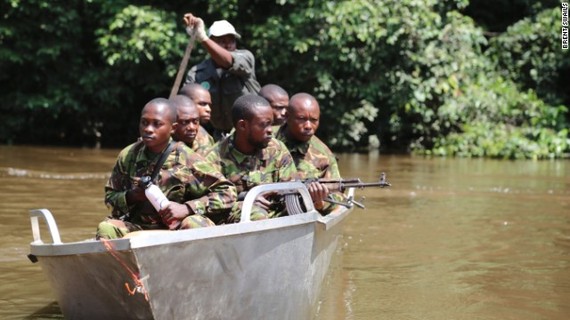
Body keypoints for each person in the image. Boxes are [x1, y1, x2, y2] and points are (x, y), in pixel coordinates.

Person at [96, 98, 236, 239]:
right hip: (137, 227)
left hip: (176, 229)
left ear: (173, 128)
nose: (148, 129)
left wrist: (187, 208)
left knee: (196, 224)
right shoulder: (128, 155)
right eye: (144, 122)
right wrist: (132, 196)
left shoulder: (187, 158)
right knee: (106, 228)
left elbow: (227, 192)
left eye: (157, 124)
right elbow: (110, 197)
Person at [205, 94, 296, 222]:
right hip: (234, 225)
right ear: (242, 126)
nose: (271, 130)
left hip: (276, 219)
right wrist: (246, 200)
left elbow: (290, 189)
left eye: (271, 124)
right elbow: (208, 201)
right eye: (264, 125)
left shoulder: (277, 149)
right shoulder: (215, 157)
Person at [183, 13, 261, 138]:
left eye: (231, 41)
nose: (228, 45)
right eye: (222, 41)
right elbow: (184, 104)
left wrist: (202, 37)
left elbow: (228, 61)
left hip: (250, 133)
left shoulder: (245, 57)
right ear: (211, 44)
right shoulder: (197, 73)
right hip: (219, 136)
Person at [275, 93, 344, 215]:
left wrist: (320, 202)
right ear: (287, 116)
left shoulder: (324, 155)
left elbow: (338, 196)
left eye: (314, 120)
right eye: (301, 119)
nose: (308, 126)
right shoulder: (266, 137)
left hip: (299, 214)